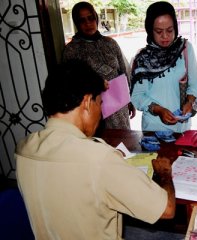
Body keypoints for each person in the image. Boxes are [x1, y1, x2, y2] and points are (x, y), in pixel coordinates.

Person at [15, 60, 176, 239]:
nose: (101, 113)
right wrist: (164, 173)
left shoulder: (24, 149)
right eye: (99, 103)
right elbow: (167, 209)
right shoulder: (99, 159)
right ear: (86, 103)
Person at [130, 1, 197, 133]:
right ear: (150, 30)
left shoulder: (185, 49)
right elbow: (137, 96)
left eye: (170, 30)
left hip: (182, 129)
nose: (165, 36)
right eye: (159, 31)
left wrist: (190, 102)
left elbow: (196, 84)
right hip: (154, 130)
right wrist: (159, 110)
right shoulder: (143, 59)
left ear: (175, 27)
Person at [63, 1, 135, 130]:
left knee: (123, 143)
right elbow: (70, 84)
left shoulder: (110, 43)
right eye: (82, 20)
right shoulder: (72, 50)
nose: (88, 23)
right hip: (92, 110)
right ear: (76, 23)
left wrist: (129, 100)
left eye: (90, 18)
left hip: (119, 108)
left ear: (96, 17)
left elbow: (124, 73)